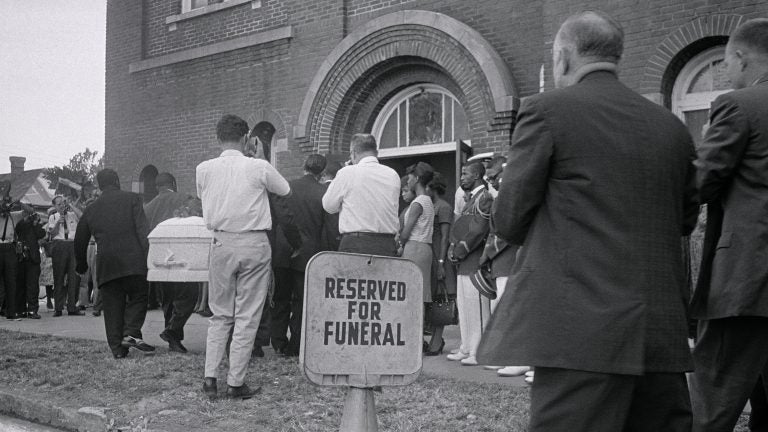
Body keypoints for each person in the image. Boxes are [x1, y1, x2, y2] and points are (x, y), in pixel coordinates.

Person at [476, 11, 698, 432]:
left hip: (579, 332)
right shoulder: (671, 127)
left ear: (563, 57)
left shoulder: (546, 111)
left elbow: (508, 217)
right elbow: (684, 220)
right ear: (616, 56)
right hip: (659, 331)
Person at [688, 18, 768, 432]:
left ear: (740, 56)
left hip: (748, 279)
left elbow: (700, 182)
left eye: (725, 64)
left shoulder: (739, 104)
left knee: (711, 402)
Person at [197, 114, 291, 400]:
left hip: (221, 241)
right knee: (247, 315)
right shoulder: (258, 166)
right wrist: (261, 157)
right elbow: (285, 190)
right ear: (246, 137)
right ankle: (235, 382)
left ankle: (210, 378)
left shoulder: (204, 169)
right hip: (253, 241)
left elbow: (205, 197)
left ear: (218, 137)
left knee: (220, 313)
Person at [74, 169, 155, 359]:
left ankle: (118, 350)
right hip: (133, 261)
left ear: (100, 186)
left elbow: (79, 239)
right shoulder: (133, 199)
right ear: (117, 181)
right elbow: (143, 231)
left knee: (112, 307)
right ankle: (132, 331)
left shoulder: (91, 208)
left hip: (107, 263)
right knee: (139, 296)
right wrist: (149, 257)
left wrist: (81, 265)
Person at [274, 154, 329, 357]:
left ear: (303, 166)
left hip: (282, 250)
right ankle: (295, 344)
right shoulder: (323, 192)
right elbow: (325, 228)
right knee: (300, 300)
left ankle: (278, 341)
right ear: (322, 173)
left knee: (280, 297)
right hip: (308, 253)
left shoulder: (285, 187)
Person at [142, 172, 198, 353]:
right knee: (189, 296)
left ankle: (172, 339)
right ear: (173, 183)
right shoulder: (185, 199)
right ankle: (173, 331)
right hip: (182, 257)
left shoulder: (147, 208)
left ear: (157, 187)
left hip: (159, 260)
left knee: (167, 301)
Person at [445, 162, 492, 366]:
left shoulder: (484, 197)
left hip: (475, 260)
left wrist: (460, 251)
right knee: (465, 307)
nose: (461, 177)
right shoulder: (472, 198)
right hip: (465, 262)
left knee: (477, 308)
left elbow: (478, 230)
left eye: (465, 174)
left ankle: (478, 350)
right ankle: (467, 346)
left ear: (477, 175)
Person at [322, 133, 400, 256]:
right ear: (376, 152)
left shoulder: (347, 172)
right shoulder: (393, 175)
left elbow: (328, 206)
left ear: (353, 153)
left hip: (355, 243)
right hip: (386, 244)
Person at [399, 162, 435, 351]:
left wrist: (399, 240)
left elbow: (405, 233)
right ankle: (417, 337)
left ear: (418, 179)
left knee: (412, 295)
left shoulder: (418, 202)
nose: (409, 180)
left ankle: (413, 339)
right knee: (419, 296)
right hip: (424, 248)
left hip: (414, 248)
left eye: (411, 177)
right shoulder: (427, 200)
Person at [424, 172, 454, 355]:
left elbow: (445, 237)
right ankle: (434, 340)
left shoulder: (443, 207)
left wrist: (441, 262)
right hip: (430, 256)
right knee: (432, 299)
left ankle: (436, 341)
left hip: (439, 257)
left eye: (427, 186)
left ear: (433, 188)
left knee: (441, 298)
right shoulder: (430, 205)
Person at [48, 195, 84, 317]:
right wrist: (59, 221)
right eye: (59, 204)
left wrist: (72, 205)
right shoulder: (53, 217)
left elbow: (83, 217)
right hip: (59, 245)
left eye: (63, 203)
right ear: (54, 206)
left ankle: (72, 307)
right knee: (59, 277)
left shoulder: (72, 215)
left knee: (74, 277)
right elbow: (52, 234)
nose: (62, 205)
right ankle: (58, 308)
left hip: (72, 245)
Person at [14, 208, 46, 319]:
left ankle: (32, 310)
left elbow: (41, 234)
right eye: (28, 214)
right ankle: (21, 310)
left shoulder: (35, 225)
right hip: (21, 257)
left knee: (33, 285)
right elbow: (18, 229)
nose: (30, 216)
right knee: (21, 285)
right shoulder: (21, 224)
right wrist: (26, 220)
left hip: (33, 258)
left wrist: (36, 222)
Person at [320, 161, 341, 251]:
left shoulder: (318, 189)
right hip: (338, 236)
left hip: (321, 238)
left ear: (324, 174)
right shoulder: (341, 189)